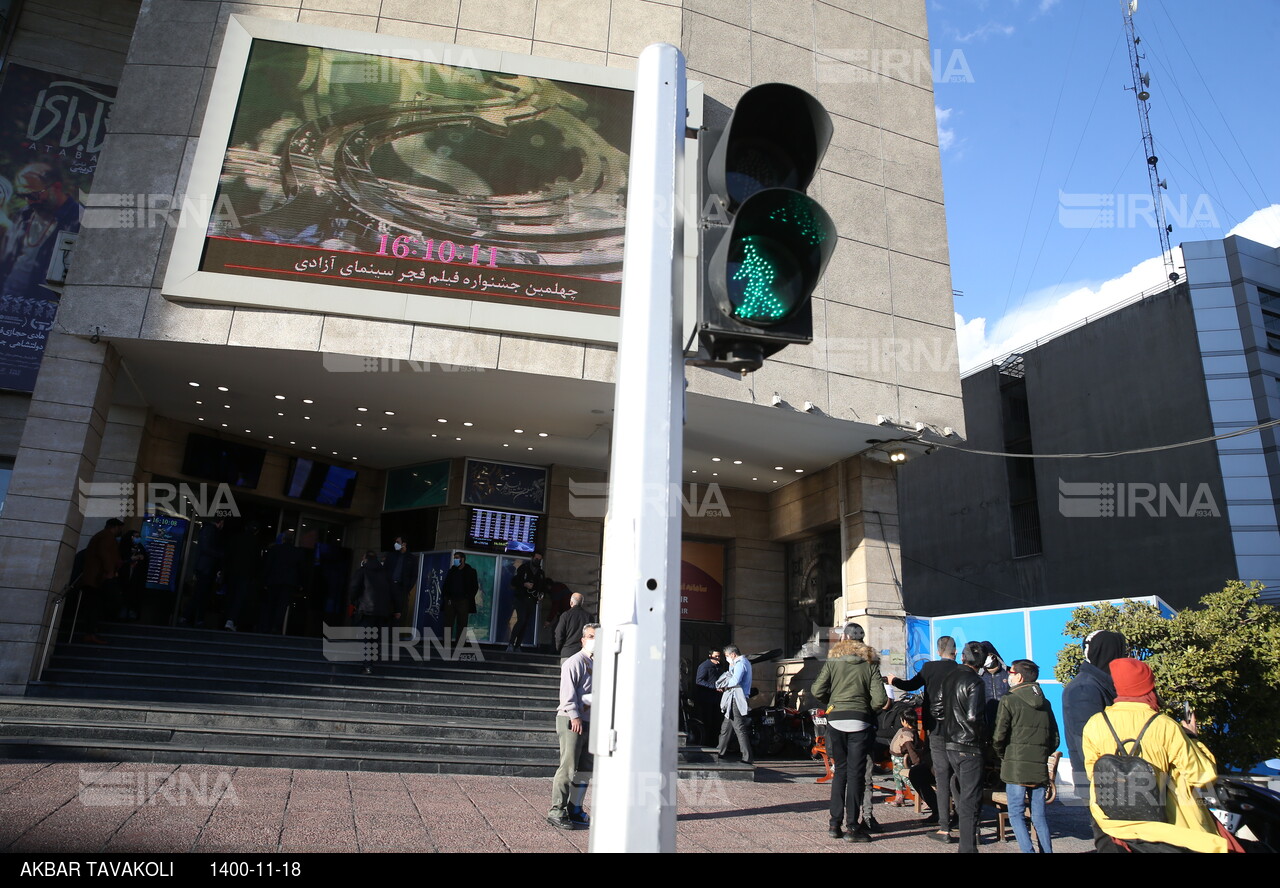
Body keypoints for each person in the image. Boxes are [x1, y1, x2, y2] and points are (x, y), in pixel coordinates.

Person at [1082, 658, 1227, 853]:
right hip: (1165, 829)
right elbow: (1202, 775)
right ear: (1148, 687)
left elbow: (1093, 773)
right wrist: (1192, 737)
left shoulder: (1095, 723)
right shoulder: (1165, 725)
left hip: (1112, 825)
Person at [811, 637, 887, 842]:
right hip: (860, 722)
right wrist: (865, 710)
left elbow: (817, 690)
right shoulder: (869, 665)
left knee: (840, 772)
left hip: (835, 721)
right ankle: (852, 827)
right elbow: (880, 699)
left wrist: (833, 705)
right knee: (856, 774)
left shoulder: (833, 663)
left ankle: (834, 824)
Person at [1062, 629, 1127, 852]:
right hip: (1101, 781)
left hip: (1115, 779)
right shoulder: (1085, 688)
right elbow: (1090, 744)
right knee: (1111, 842)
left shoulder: (1102, 682)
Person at [886, 634, 959, 827]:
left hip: (935, 729)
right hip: (958, 731)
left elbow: (910, 685)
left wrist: (894, 681)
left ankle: (939, 813)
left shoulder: (929, 668)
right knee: (952, 771)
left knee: (934, 771)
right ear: (956, 651)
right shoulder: (962, 670)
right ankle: (957, 814)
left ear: (937, 651)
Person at [992, 659, 1060, 853]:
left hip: (1015, 768)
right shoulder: (1045, 703)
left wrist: (1004, 755)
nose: (1009, 675)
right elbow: (1054, 737)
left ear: (1019, 677)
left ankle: (1027, 850)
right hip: (1038, 767)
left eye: (1011, 672)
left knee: (1015, 813)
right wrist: (1041, 754)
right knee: (1039, 817)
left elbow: (999, 736)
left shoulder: (1009, 700)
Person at [0, 162, 83, 300]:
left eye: (33, 195)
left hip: (40, 308)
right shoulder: (24, 214)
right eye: (22, 195)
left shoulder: (79, 220)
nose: (28, 201)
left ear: (56, 187)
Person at [547, 622, 599, 830]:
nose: (594, 640)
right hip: (571, 720)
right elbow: (567, 695)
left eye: (598, 637)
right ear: (583, 639)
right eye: (591, 636)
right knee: (568, 767)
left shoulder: (599, 663)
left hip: (590, 721)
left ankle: (575, 808)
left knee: (586, 769)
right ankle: (556, 810)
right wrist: (575, 717)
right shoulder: (574, 662)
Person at [939, 640, 987, 851]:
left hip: (950, 743)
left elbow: (937, 709)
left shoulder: (949, 677)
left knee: (962, 794)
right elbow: (973, 716)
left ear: (962, 657)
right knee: (970, 799)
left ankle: (968, 845)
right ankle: (967, 848)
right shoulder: (975, 682)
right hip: (969, 745)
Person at [349, 551, 403, 674]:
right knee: (374, 638)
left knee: (366, 638)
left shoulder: (362, 571)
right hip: (382, 612)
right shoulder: (386, 574)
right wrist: (397, 609)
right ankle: (370, 662)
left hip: (366, 610)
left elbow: (353, 588)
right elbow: (395, 593)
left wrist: (355, 602)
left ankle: (367, 665)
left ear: (366, 559)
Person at [77, 518, 124, 644]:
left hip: (95, 578)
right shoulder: (106, 536)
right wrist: (110, 572)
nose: (121, 531)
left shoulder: (102, 536)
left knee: (94, 605)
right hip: (98, 578)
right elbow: (105, 554)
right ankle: (90, 632)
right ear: (114, 527)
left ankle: (91, 632)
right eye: (120, 528)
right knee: (98, 604)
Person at [713, 644, 753, 766]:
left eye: (727, 656)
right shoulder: (740, 663)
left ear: (733, 654)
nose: (726, 658)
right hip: (733, 698)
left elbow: (735, 680)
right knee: (726, 728)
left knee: (739, 727)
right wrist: (731, 666)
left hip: (737, 698)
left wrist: (723, 686)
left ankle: (747, 757)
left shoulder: (741, 663)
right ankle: (720, 751)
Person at [182, 516, 224, 626]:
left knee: (200, 593)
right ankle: (191, 617)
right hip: (206, 567)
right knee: (200, 593)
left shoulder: (207, 530)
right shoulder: (210, 531)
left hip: (204, 566)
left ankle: (190, 617)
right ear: (219, 523)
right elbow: (206, 548)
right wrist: (220, 554)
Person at [508, 551, 546, 651]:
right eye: (536, 559)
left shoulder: (540, 573)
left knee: (526, 623)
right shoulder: (523, 568)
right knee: (521, 620)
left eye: (539, 559)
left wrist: (541, 595)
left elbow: (542, 587)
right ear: (532, 558)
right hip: (521, 598)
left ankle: (518, 645)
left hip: (532, 600)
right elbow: (514, 581)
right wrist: (524, 584)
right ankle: (511, 643)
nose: (537, 561)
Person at [442, 551, 480, 644]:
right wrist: (447, 597)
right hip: (451, 600)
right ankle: (446, 643)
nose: (455, 560)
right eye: (454, 558)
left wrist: (468, 597)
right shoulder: (452, 571)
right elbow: (446, 585)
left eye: (457, 558)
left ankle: (460, 644)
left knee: (462, 623)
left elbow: (474, 586)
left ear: (462, 559)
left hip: (463, 601)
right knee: (448, 623)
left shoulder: (471, 571)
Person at [888, 709, 923, 807]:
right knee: (897, 777)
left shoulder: (907, 736)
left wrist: (916, 762)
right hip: (896, 758)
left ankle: (923, 795)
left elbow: (912, 751)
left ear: (905, 721)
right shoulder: (906, 731)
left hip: (901, 759)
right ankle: (899, 796)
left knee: (905, 778)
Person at [694, 648, 727, 744]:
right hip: (707, 699)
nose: (718, 658)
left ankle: (715, 742)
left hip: (717, 699)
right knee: (708, 721)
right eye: (716, 656)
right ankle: (707, 742)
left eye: (719, 656)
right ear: (710, 656)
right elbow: (699, 681)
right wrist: (714, 687)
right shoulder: (705, 666)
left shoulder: (719, 667)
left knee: (717, 721)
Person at [383, 536, 417, 627]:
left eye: (398, 542)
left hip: (401, 588)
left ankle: (395, 637)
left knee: (399, 614)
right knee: (386, 611)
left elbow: (414, 575)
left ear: (404, 544)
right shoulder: (391, 556)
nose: (395, 544)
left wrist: (407, 588)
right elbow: (384, 570)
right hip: (389, 587)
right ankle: (384, 636)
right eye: (395, 542)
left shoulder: (411, 558)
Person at [553, 592, 593, 660]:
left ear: (571, 602)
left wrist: (559, 648)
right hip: (583, 654)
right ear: (582, 603)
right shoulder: (589, 617)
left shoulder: (565, 615)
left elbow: (559, 633)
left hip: (568, 652)